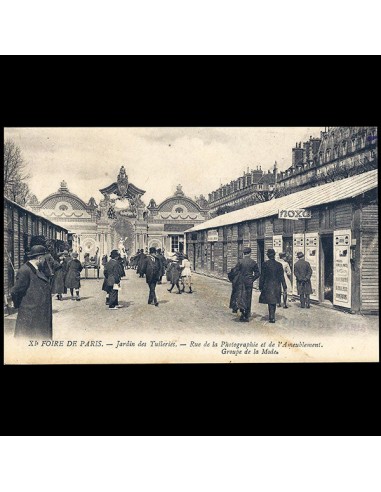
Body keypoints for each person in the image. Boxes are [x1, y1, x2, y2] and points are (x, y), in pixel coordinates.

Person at [10, 245, 53, 339]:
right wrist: (21, 306)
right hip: (30, 314)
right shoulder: (25, 270)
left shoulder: (37, 269)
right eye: (44, 259)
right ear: (40, 258)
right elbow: (15, 291)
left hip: (38, 313)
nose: (45, 261)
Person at [259, 248, 287, 323]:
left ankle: (271, 316)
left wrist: (260, 286)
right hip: (276, 286)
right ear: (274, 255)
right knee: (273, 301)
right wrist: (284, 286)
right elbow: (282, 276)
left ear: (268, 256)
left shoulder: (265, 264)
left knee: (270, 301)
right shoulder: (279, 265)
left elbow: (262, 276)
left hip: (267, 285)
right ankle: (272, 316)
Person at [233, 246, 260, 322]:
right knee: (248, 298)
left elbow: (235, 271)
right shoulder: (253, 262)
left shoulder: (240, 262)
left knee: (241, 297)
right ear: (250, 253)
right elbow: (258, 273)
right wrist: (252, 279)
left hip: (241, 282)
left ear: (244, 253)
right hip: (249, 282)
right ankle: (247, 315)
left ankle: (242, 314)